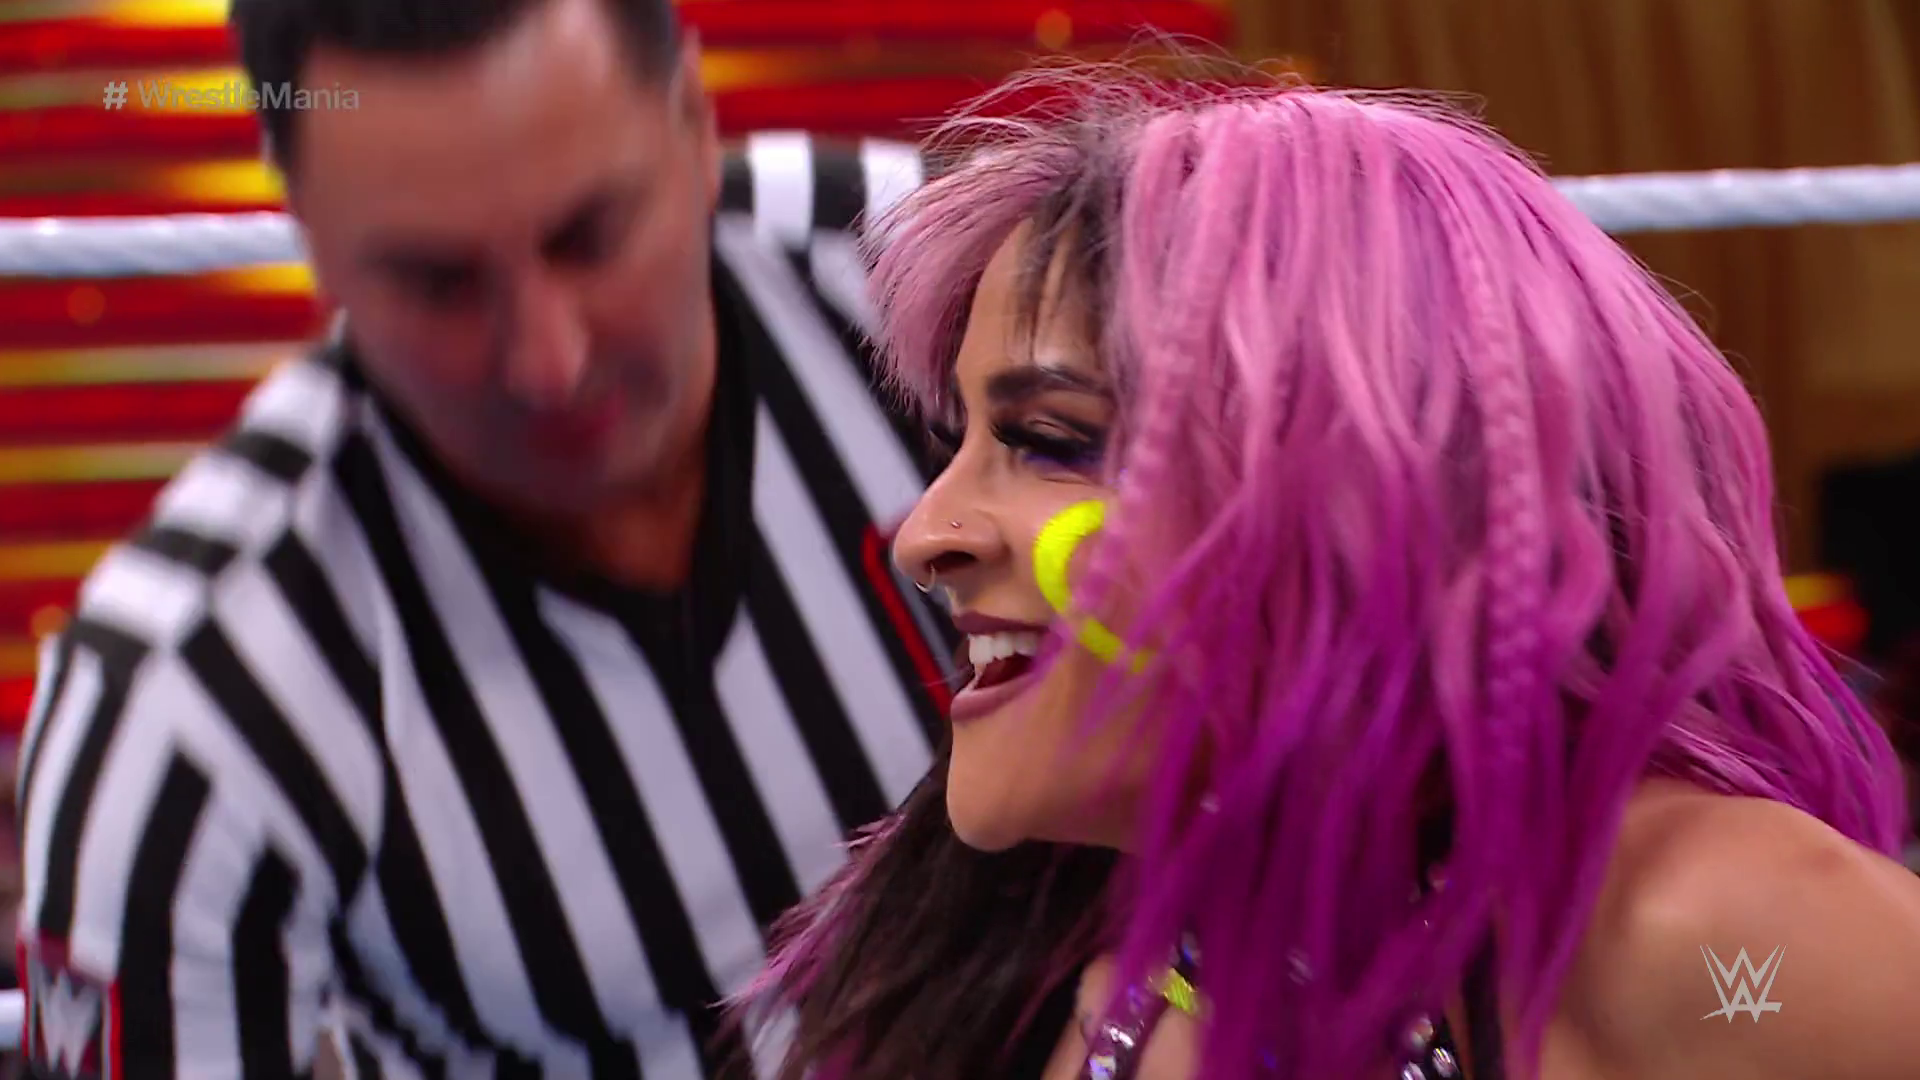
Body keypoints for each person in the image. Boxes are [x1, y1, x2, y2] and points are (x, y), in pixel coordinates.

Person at [739, 71, 1920, 1080]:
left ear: (1360, 487)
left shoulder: (1705, 932)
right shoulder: (1126, 993)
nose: (926, 536)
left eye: (1049, 439)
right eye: (958, 448)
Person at [13, 0, 950, 1075]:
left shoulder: (950, 287)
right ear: (313, 241)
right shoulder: (189, 708)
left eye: (590, 234)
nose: (549, 362)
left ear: (696, 126)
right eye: (438, 281)